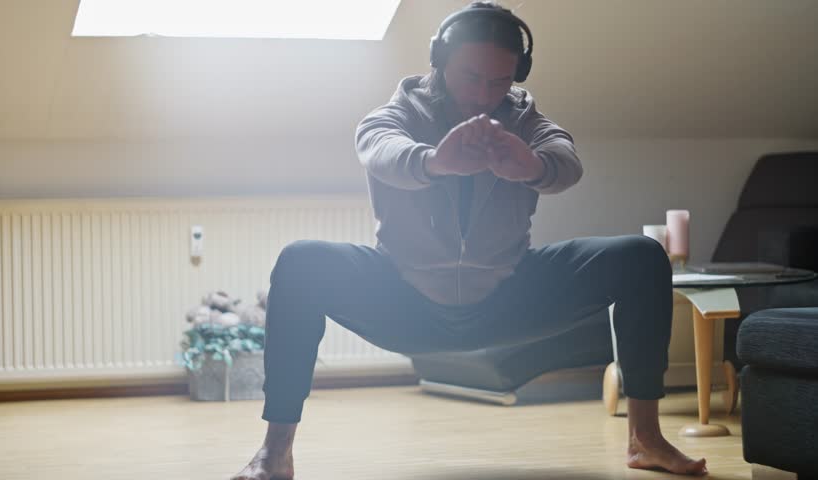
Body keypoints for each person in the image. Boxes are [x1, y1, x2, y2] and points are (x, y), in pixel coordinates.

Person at [232, 2, 708, 478]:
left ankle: (645, 439)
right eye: (471, 77)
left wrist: (532, 165)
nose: (484, 95)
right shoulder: (396, 113)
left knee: (641, 256)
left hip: (507, 296)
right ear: (440, 61)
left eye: (500, 81)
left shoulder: (523, 117)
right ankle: (275, 452)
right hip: (405, 300)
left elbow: (566, 160)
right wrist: (435, 162)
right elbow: (381, 150)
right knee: (300, 261)